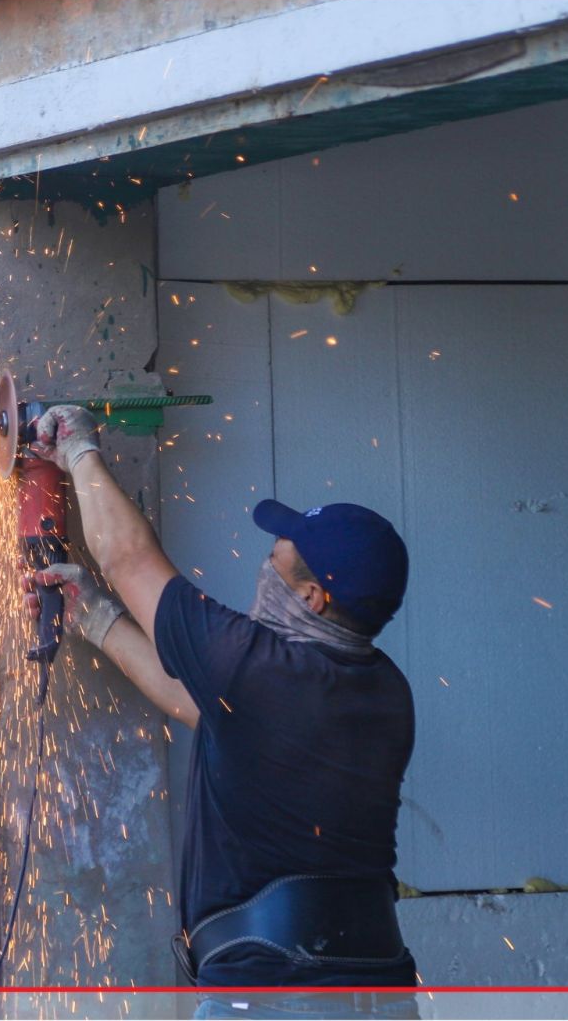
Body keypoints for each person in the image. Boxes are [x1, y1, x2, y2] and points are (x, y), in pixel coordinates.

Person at [22, 404, 419, 1020]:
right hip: (380, 993)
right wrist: (95, 617)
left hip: (276, 999)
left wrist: (77, 449)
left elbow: (127, 558)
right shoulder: (386, 691)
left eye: (279, 561)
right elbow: (203, 707)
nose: (267, 561)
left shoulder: (260, 669)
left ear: (312, 597)